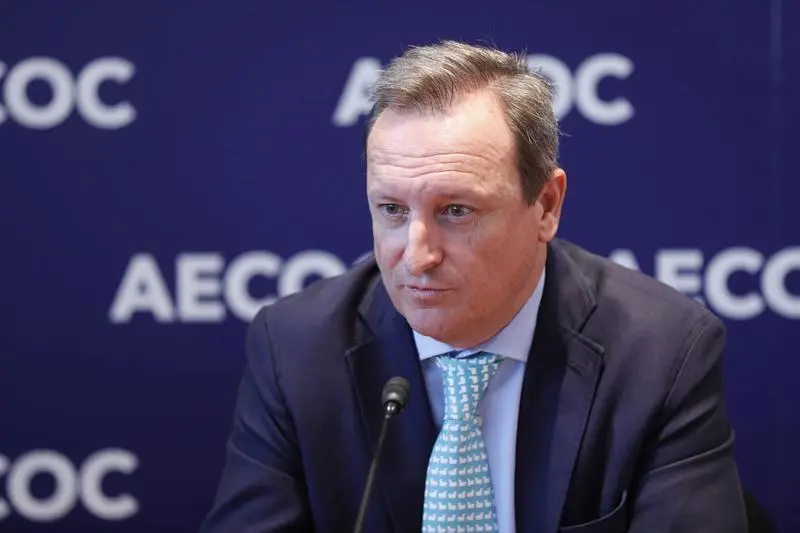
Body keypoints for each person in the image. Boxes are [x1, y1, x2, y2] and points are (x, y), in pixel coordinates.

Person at [199, 40, 747, 532]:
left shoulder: (660, 352)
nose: (418, 255)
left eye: (456, 211)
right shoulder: (296, 349)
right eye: (391, 210)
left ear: (546, 206)